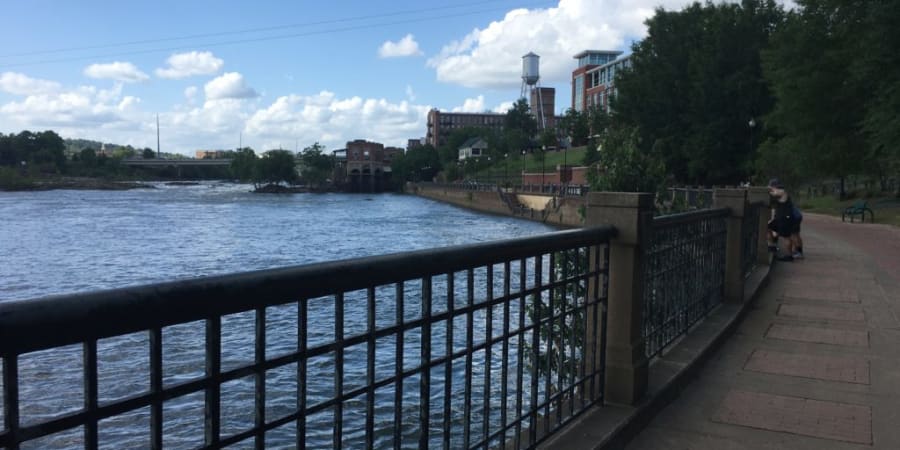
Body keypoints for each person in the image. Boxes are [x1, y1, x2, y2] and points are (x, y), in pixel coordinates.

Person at [767, 178, 797, 261]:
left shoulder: (782, 191)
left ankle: (789, 256)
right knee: (767, 227)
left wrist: (769, 190)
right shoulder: (778, 191)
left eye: (771, 186)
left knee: (786, 237)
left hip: (785, 218)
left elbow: (775, 194)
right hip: (780, 218)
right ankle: (772, 246)